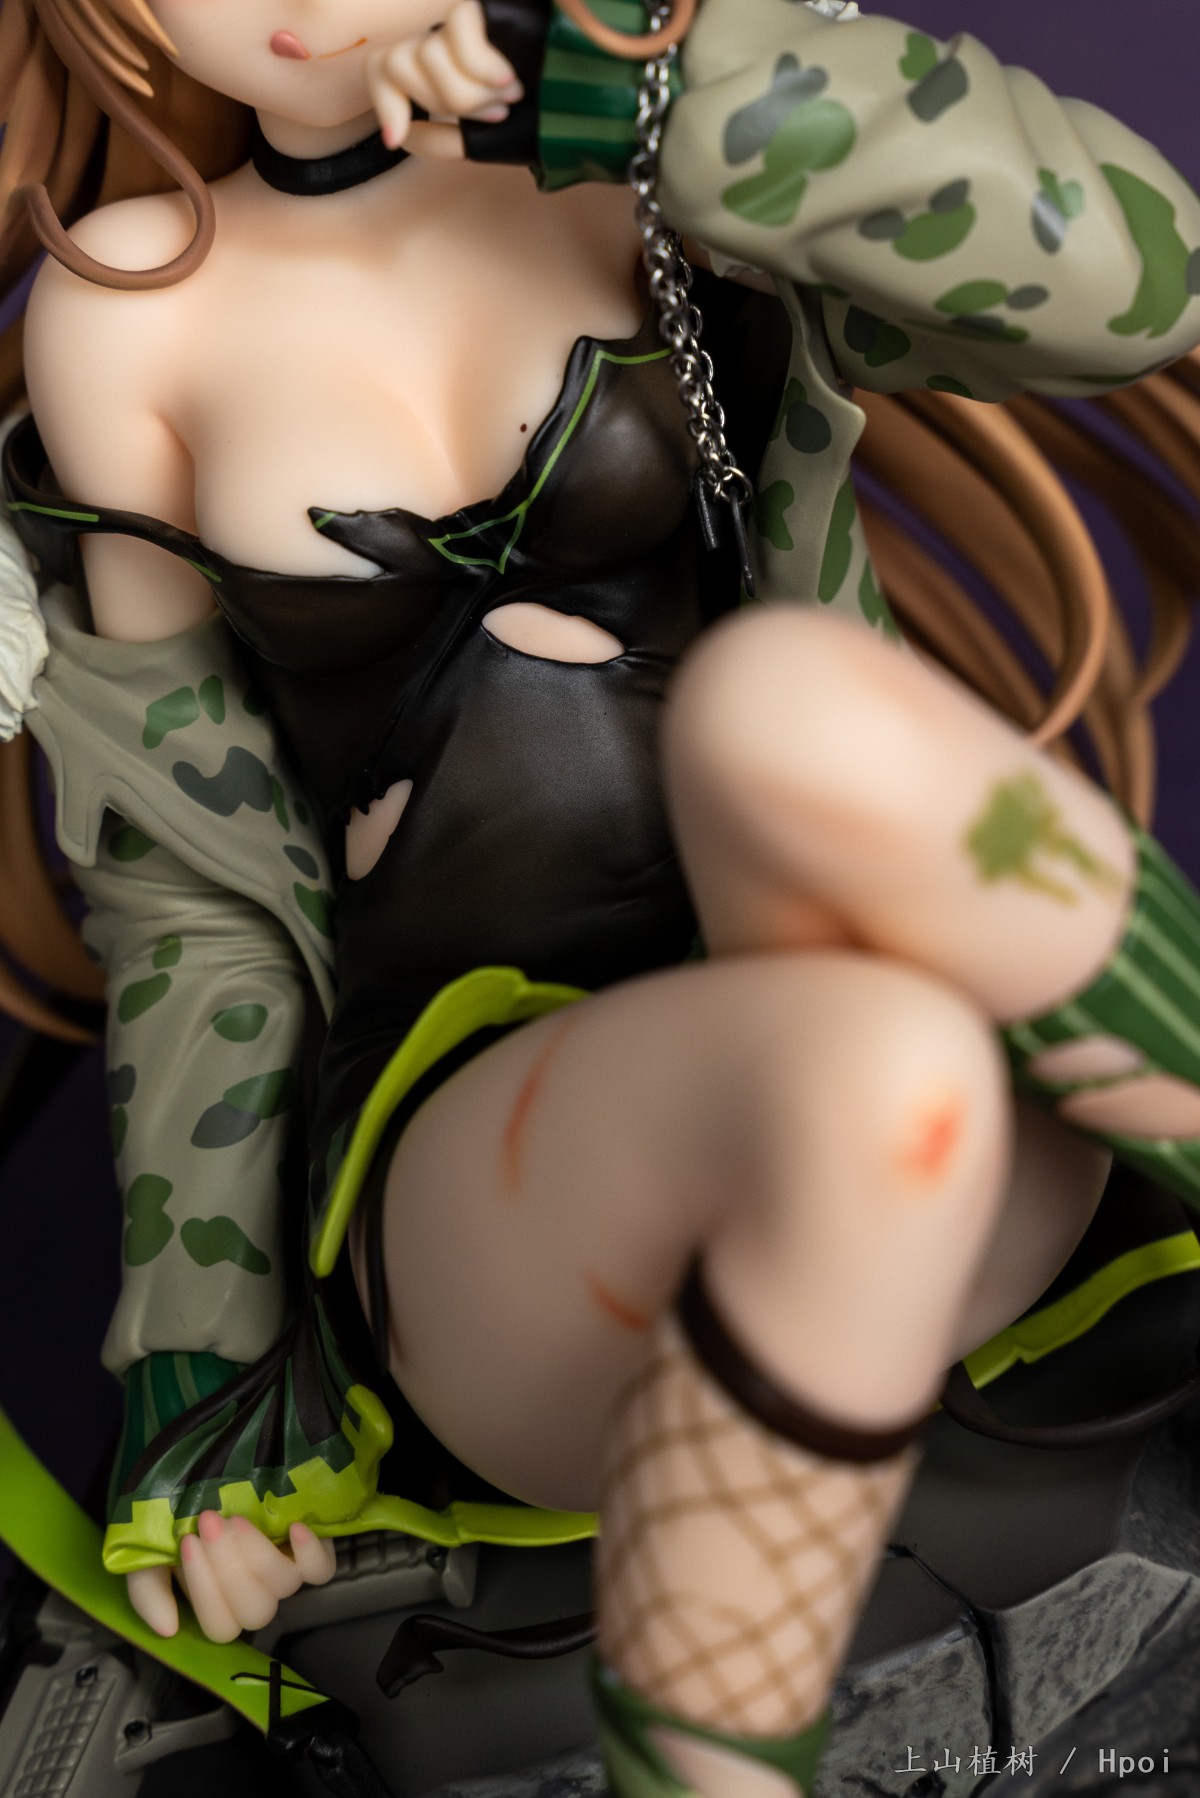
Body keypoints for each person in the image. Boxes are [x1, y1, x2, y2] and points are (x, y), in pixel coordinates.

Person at [2, 0, 1200, 1792]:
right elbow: (197, 892)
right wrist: (208, 1387)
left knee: (794, 716)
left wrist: (661, 89)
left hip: (924, 1090)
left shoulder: (649, 154)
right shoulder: (128, 315)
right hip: (516, 1228)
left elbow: (1142, 281)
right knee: (870, 1066)